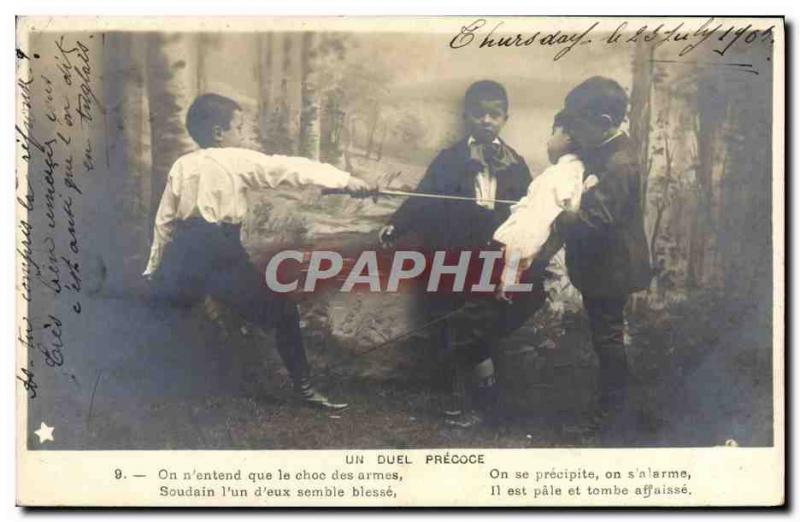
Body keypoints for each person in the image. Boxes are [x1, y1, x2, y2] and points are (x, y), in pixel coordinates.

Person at [143, 93, 371, 409]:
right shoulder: (234, 158)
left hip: (183, 253)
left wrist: (156, 267)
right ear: (218, 134)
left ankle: (148, 389)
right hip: (218, 253)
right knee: (282, 314)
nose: (243, 135)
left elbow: (164, 221)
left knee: (163, 318)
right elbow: (287, 168)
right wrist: (346, 180)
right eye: (238, 127)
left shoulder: (182, 164)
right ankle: (303, 389)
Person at [379, 80, 545, 426]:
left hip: (494, 252)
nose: (486, 121)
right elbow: (426, 199)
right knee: (451, 319)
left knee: (484, 320)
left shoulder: (515, 162)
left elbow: (530, 209)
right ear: (466, 117)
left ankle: (487, 400)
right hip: (456, 251)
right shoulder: (449, 159)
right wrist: (397, 225)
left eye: (494, 114)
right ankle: (455, 396)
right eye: (478, 114)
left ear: (505, 118)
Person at [552, 77, 652, 424]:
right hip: (605, 264)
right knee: (605, 331)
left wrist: (561, 216)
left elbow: (598, 219)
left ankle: (614, 405)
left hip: (613, 267)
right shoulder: (605, 149)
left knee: (607, 334)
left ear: (604, 123)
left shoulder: (619, 162)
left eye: (579, 127)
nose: (575, 135)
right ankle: (619, 388)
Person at [493, 115, 597, 300]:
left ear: (568, 137)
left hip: (538, 259)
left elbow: (534, 223)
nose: (547, 141)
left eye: (552, 133)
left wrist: (510, 273)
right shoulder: (580, 172)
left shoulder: (557, 176)